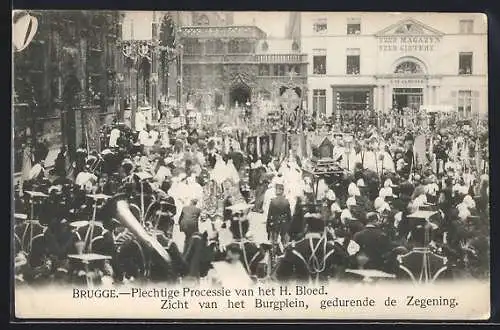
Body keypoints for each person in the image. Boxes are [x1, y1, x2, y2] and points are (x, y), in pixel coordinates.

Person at [274, 213, 350, 282]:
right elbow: (346, 263)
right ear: (323, 230)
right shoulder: (332, 248)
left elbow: (281, 275)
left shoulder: (294, 248)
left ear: (306, 228)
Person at [266, 178, 292, 246]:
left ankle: (273, 254)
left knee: (273, 242)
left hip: (275, 223)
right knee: (284, 242)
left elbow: (269, 215)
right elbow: (289, 215)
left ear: (278, 191)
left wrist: (268, 227)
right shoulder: (286, 201)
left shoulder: (273, 201)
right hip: (284, 223)